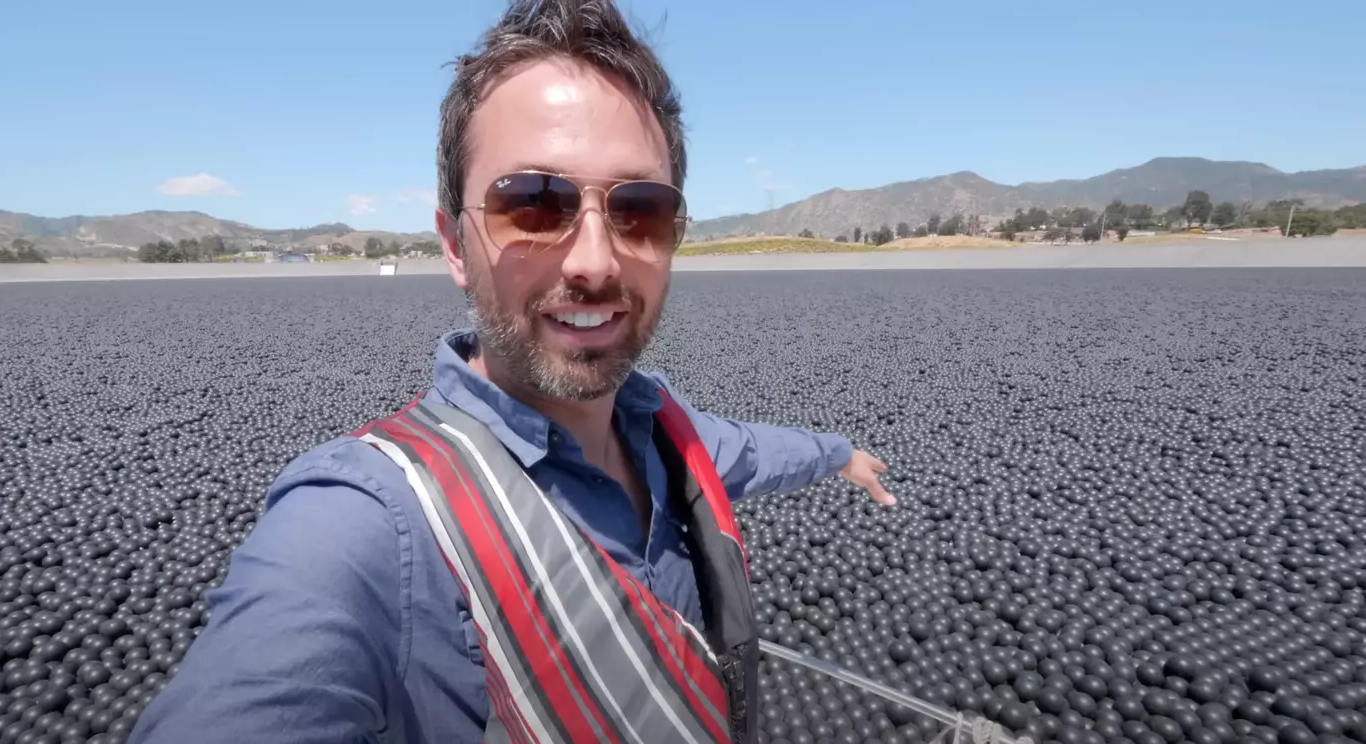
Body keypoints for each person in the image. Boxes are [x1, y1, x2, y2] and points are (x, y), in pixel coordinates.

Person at [128, 1, 896, 742]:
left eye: (638, 210)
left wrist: (842, 456)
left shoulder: (666, 432)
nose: (595, 261)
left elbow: (751, 452)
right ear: (455, 247)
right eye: (532, 203)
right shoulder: (367, 523)